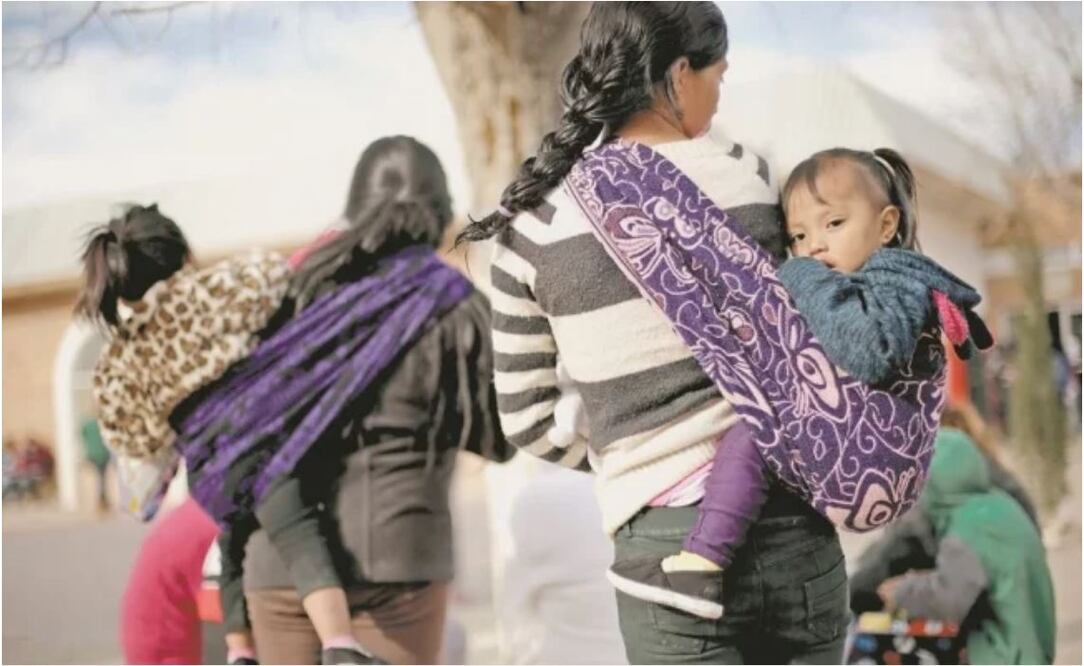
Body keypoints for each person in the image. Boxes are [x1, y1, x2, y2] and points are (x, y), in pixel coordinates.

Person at [460, 3, 890, 662]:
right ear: (680, 74)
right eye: (718, 74)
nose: (720, 92)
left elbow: (524, 419)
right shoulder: (755, 177)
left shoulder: (534, 225)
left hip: (663, 550)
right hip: (792, 528)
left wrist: (632, 458)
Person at [608, 147, 989, 618]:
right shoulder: (860, 282)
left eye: (834, 224)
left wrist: (803, 279)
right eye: (799, 236)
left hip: (871, 453)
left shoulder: (898, 281)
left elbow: (870, 352)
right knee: (753, 435)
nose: (814, 247)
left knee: (754, 430)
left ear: (887, 225)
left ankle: (704, 558)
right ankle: (710, 558)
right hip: (851, 455)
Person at [238, 135, 515, 665]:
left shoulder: (295, 291)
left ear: (356, 206)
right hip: (400, 559)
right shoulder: (458, 308)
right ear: (440, 212)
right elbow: (503, 438)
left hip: (283, 559)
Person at [77, 205, 377, 664]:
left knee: (230, 552)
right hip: (262, 451)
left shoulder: (119, 361)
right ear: (183, 255)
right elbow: (275, 279)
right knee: (299, 536)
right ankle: (340, 644)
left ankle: (239, 653)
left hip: (209, 477)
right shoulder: (219, 289)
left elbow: (134, 440)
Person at [875, 428, 1056, 665]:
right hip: (1032, 645)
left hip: (1003, 654)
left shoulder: (965, 529)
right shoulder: (999, 506)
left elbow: (949, 600)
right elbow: (974, 577)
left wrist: (902, 591)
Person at [120, 498, 220, 665]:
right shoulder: (214, 524)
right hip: (170, 655)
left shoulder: (196, 513)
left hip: (153, 649)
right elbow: (224, 609)